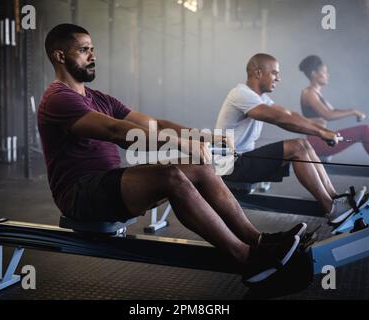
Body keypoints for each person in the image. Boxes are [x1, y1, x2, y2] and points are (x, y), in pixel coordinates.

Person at [37, 24, 306, 285]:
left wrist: (203, 137)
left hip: (108, 182)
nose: (93, 56)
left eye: (92, 49)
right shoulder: (58, 98)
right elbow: (115, 130)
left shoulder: (99, 98)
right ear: (59, 56)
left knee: (201, 168)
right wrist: (178, 142)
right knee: (171, 176)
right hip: (79, 194)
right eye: (84, 50)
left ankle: (257, 240)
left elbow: (156, 123)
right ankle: (247, 259)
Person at [215, 53, 366, 224]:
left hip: (242, 161)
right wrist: (322, 133)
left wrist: (322, 130)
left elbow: (289, 114)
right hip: (230, 165)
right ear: (258, 73)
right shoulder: (241, 94)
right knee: (297, 147)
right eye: (274, 73)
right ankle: (331, 208)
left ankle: (335, 198)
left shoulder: (260, 98)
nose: (278, 78)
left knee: (303, 143)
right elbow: (280, 119)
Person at [298, 55, 369, 181]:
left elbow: (333, 110)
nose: (327, 75)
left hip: (323, 139)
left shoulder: (315, 92)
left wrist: (355, 112)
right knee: (364, 130)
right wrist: (353, 111)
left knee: (363, 130)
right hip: (318, 142)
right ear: (314, 74)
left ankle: (322, 156)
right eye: (324, 72)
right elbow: (328, 115)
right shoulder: (309, 93)